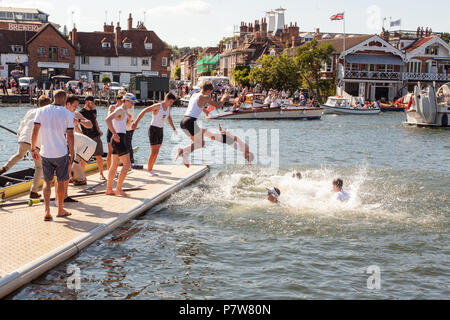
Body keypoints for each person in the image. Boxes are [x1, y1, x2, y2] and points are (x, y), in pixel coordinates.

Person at [174, 81, 254, 167]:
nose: (210, 94)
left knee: (201, 138)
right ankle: (183, 151)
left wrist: (205, 110)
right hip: (190, 122)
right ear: (208, 91)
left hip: (183, 122)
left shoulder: (194, 95)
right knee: (200, 143)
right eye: (211, 92)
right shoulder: (204, 97)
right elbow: (218, 105)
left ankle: (185, 152)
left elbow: (194, 106)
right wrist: (223, 98)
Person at [31, 90, 75, 221]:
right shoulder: (68, 113)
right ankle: (60, 210)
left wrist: (33, 148)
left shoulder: (41, 110)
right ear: (65, 99)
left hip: (46, 152)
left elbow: (35, 130)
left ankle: (47, 211)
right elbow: (71, 135)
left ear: (53, 98)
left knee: (47, 181)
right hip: (61, 152)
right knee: (60, 182)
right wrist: (72, 152)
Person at [0, 95, 51, 199]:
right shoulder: (47, 114)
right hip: (35, 143)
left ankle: (4, 168)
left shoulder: (30, 112)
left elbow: (23, 124)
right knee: (39, 167)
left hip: (23, 138)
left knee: (19, 155)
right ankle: (33, 191)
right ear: (48, 105)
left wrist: (20, 135)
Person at [132, 93, 177, 176]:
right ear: (166, 99)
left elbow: (168, 118)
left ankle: (151, 169)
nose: (171, 104)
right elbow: (144, 111)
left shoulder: (168, 108)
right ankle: (149, 170)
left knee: (157, 151)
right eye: (170, 102)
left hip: (160, 130)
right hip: (153, 129)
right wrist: (136, 122)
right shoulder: (157, 106)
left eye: (172, 102)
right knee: (153, 151)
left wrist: (173, 128)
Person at [105, 93, 135, 197]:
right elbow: (107, 120)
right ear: (126, 101)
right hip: (118, 138)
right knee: (127, 165)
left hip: (118, 138)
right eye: (131, 102)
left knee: (114, 165)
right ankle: (118, 189)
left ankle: (109, 189)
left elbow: (124, 126)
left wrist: (129, 119)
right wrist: (114, 133)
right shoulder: (120, 110)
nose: (132, 104)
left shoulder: (124, 112)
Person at [78, 95, 105, 180]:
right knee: (83, 159)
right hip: (86, 137)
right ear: (86, 102)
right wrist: (81, 133)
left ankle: (101, 174)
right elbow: (75, 124)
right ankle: (83, 176)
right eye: (91, 102)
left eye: (94, 102)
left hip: (96, 135)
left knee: (99, 156)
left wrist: (99, 130)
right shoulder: (80, 112)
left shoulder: (94, 111)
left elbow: (95, 121)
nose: (93, 103)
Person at [106, 94, 125, 169]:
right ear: (117, 100)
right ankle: (108, 169)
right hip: (111, 131)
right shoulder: (112, 107)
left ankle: (114, 169)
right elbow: (108, 116)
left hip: (119, 131)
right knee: (110, 151)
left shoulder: (123, 109)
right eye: (121, 100)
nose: (122, 102)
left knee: (117, 153)